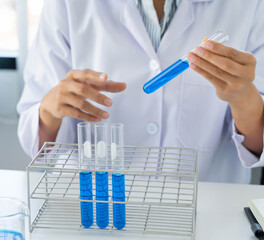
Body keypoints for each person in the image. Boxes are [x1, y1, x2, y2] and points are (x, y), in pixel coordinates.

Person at [17, 0, 264, 184]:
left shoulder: (248, 6)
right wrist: (52, 109)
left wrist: (243, 97)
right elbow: (38, 143)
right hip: (96, 206)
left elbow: (258, 146)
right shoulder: (68, 5)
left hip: (206, 211)